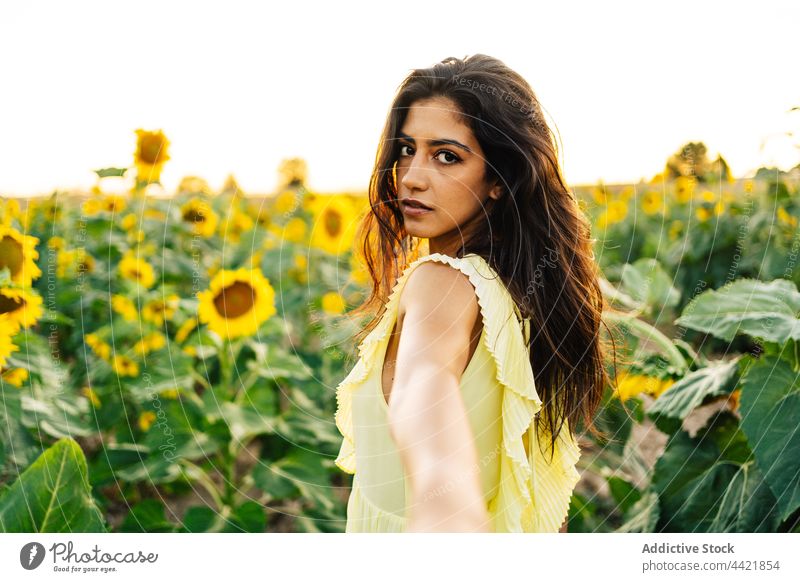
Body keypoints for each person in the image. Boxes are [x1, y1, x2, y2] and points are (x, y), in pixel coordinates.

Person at [334, 54, 611, 533]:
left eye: (447, 156)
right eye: (406, 150)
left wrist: (447, 504)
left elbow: (426, 379)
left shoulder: (439, 279)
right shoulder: (515, 290)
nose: (413, 176)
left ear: (499, 181)